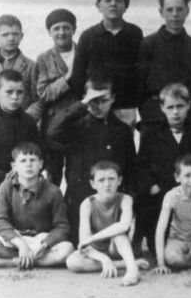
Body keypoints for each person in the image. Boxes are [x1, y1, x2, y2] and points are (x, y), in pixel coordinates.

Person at [47, 78, 136, 246]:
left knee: (116, 246)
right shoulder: (75, 126)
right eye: (93, 101)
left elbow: (130, 168)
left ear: (113, 99)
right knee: (78, 246)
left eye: (104, 100)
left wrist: (129, 209)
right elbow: (52, 131)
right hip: (80, 199)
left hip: (110, 202)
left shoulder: (122, 130)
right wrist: (81, 105)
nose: (99, 106)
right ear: (85, 100)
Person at [136, 83, 191, 255]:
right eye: (170, 107)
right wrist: (153, 187)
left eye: (180, 106)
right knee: (160, 250)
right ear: (162, 108)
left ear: (188, 106)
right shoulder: (151, 137)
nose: (175, 112)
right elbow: (142, 167)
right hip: (160, 201)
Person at [0, 143, 74, 269]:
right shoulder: (6, 186)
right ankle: (28, 259)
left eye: (33, 160)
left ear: (41, 164)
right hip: (16, 238)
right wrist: (21, 245)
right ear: (14, 166)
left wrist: (45, 244)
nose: (28, 164)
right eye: (23, 161)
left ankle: (13, 262)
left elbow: (62, 226)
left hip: (41, 240)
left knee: (67, 249)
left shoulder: (53, 191)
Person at [68, 0, 143, 127]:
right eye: (108, 0)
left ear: (126, 6)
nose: (113, 4)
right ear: (98, 6)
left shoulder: (135, 33)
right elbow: (78, 75)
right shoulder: (88, 36)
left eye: (118, 0)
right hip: (96, 103)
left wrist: (135, 100)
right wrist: (87, 100)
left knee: (124, 144)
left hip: (125, 106)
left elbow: (141, 70)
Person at [65, 160, 148, 285]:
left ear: (119, 181)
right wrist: (104, 259)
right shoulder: (87, 204)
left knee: (118, 233)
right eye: (101, 180)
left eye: (111, 179)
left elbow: (124, 225)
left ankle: (132, 270)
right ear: (93, 184)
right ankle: (124, 264)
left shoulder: (125, 199)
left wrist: (92, 238)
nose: (107, 184)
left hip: (118, 248)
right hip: (97, 250)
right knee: (72, 262)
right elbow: (84, 243)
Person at [0, 69, 41, 215]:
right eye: (9, 92)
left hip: (29, 189)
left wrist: (28, 173)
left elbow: (41, 154)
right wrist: (9, 178)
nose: (15, 97)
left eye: (20, 92)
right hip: (0, 193)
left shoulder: (29, 122)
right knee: (0, 234)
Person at [138, 0, 191, 131]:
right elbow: (138, 85)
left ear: (187, 11)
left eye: (180, 9)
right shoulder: (148, 44)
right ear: (161, 12)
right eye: (169, 10)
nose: (175, 14)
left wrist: (180, 102)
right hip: (153, 117)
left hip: (185, 116)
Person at [36, 8, 79, 185]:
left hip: (80, 121)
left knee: (77, 175)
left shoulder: (84, 53)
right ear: (49, 32)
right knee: (53, 176)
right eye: (56, 28)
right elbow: (44, 93)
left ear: (74, 29)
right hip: (54, 126)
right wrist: (67, 78)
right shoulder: (44, 58)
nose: (61, 32)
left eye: (66, 27)